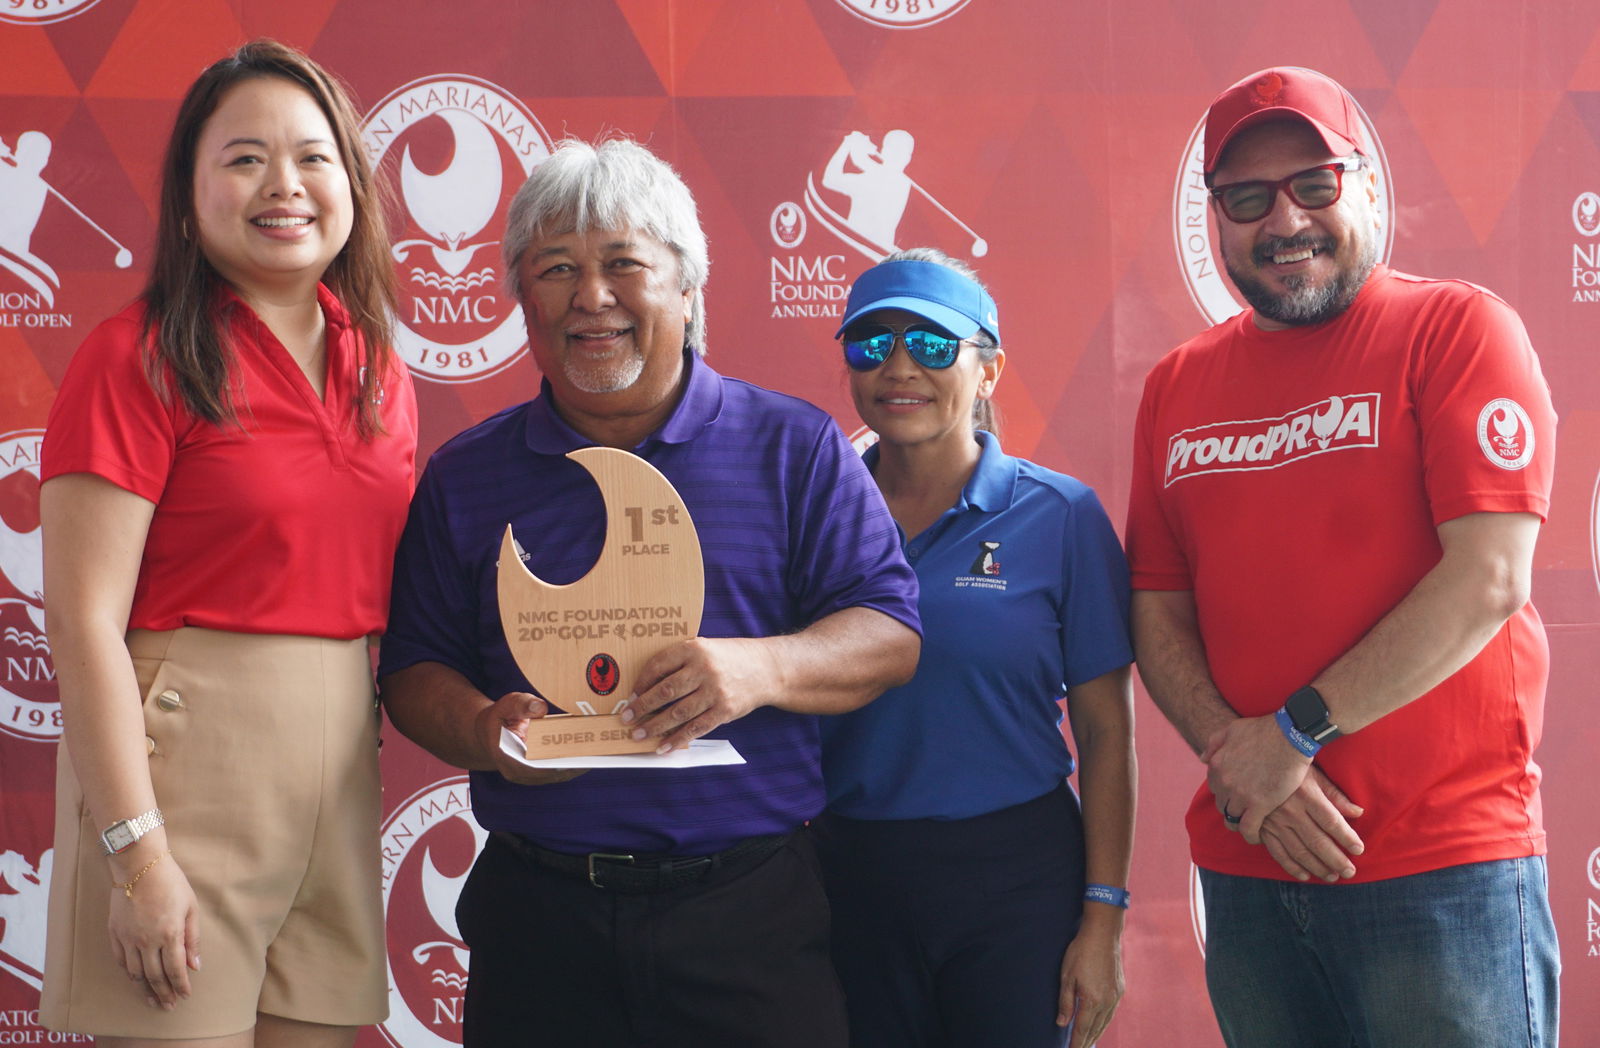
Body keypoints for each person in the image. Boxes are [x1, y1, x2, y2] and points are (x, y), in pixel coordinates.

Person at [377, 136, 922, 1048]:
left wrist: (759, 670)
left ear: (688, 288)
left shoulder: (794, 447)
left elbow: (890, 631)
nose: (591, 297)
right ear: (520, 299)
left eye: (625, 263)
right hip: (539, 922)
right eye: (557, 269)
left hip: (748, 917)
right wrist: (483, 731)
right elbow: (413, 668)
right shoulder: (465, 476)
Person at [1125, 66, 1560, 1047]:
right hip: (1250, 869)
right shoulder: (1175, 386)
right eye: (1247, 198)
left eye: (1312, 184)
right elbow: (1157, 609)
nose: (1283, 220)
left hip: (1440, 872)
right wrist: (1246, 765)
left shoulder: (1455, 330)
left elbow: (1489, 575)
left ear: (1364, 185)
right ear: (1215, 220)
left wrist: (1294, 733)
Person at [39, 39, 417, 1047]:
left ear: (351, 184)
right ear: (190, 190)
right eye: (245, 157)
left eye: (312, 156)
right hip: (182, 776)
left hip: (338, 768)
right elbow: (80, 622)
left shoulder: (379, 364)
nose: (283, 185)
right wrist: (138, 856)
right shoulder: (138, 355)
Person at [814, 251, 1136, 1048]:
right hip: (846, 877)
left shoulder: (1061, 516)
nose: (898, 368)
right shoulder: (814, 522)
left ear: (987, 371)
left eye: (930, 345)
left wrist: (1103, 920)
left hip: (1016, 879)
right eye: (870, 344)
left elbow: (1106, 734)